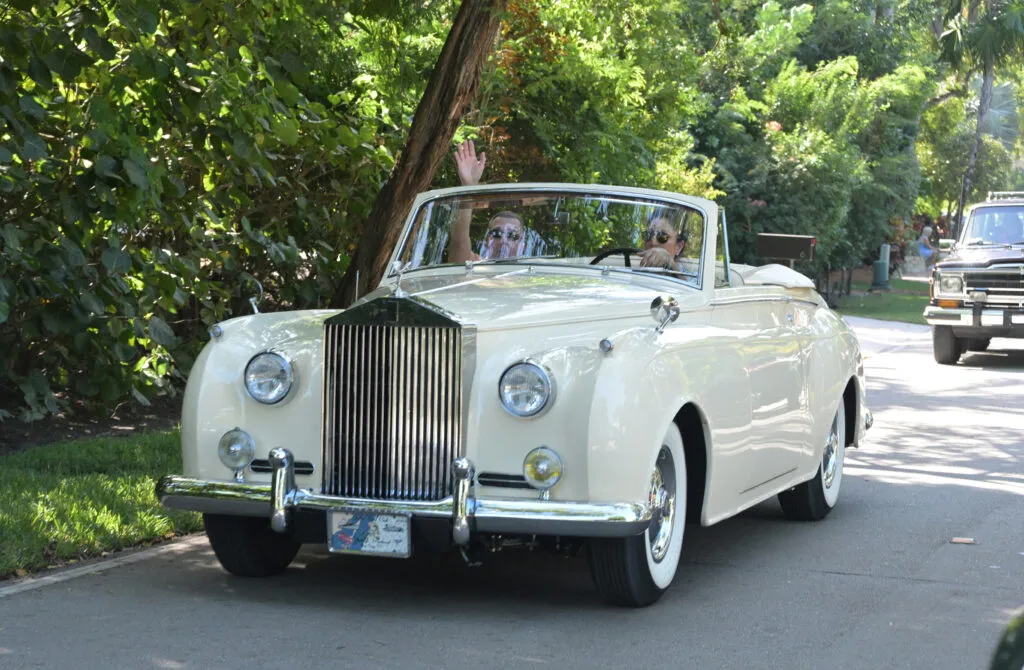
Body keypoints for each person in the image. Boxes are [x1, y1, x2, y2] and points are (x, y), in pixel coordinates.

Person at [446, 139, 526, 263]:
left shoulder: (535, 275)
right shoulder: (474, 265)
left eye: (513, 236)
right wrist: (468, 187)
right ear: (487, 240)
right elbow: (459, 242)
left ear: (522, 246)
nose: (504, 240)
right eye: (497, 234)